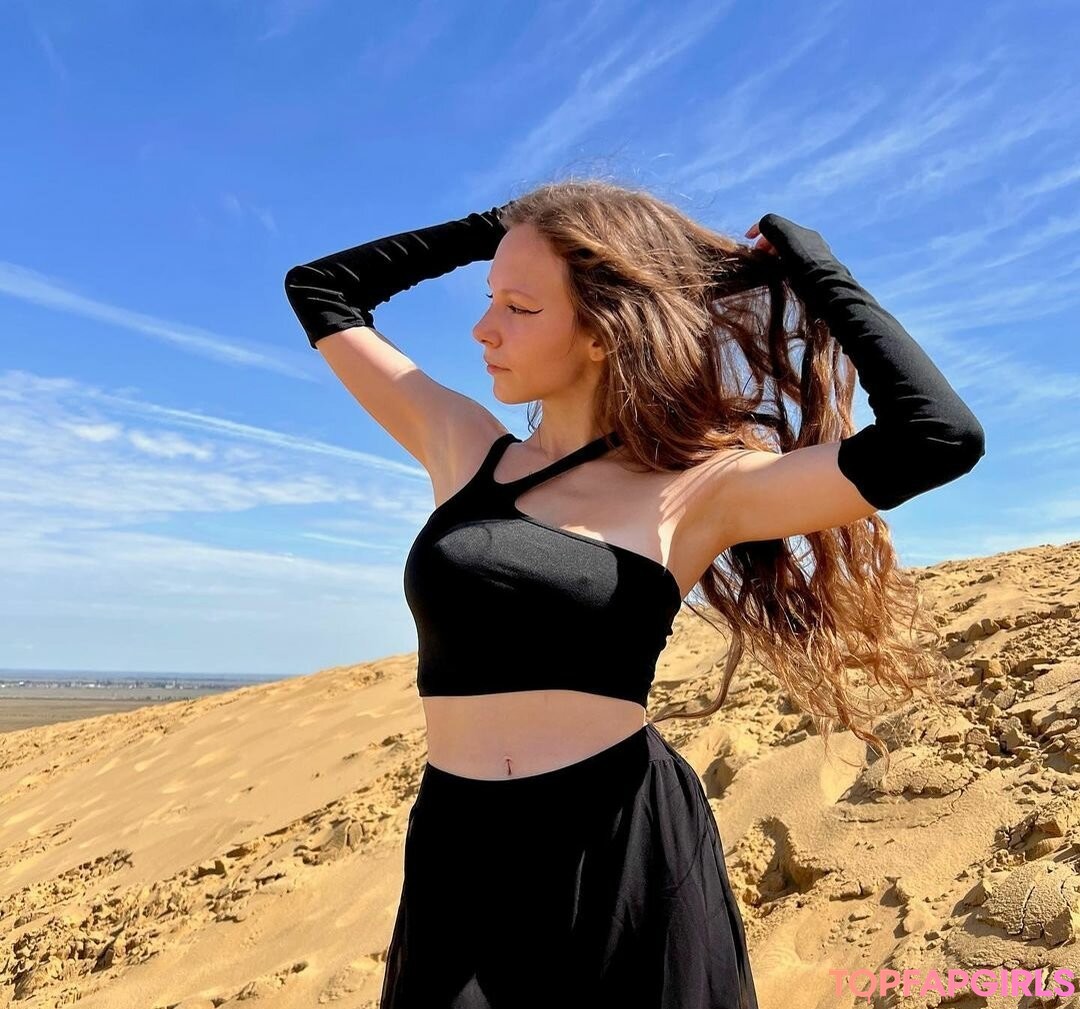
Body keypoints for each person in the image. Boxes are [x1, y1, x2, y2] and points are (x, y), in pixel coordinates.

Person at [283, 180, 985, 1008]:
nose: (483, 328)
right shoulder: (464, 447)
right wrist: (500, 225)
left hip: (617, 842)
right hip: (456, 840)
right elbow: (321, 288)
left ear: (602, 330)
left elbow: (938, 437)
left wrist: (813, 265)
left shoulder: (702, 491)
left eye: (520, 307)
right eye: (488, 299)